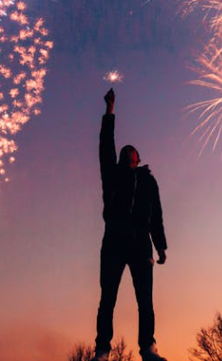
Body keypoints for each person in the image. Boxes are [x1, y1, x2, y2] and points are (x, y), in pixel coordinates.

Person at [92, 89, 168, 361]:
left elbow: (156, 215)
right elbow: (105, 145)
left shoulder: (148, 181)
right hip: (114, 240)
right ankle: (102, 349)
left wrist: (160, 246)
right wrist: (110, 110)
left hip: (139, 243)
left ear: (137, 159)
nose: (126, 155)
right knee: (107, 299)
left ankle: (148, 348)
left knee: (145, 302)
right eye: (123, 154)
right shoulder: (112, 176)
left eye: (130, 154)